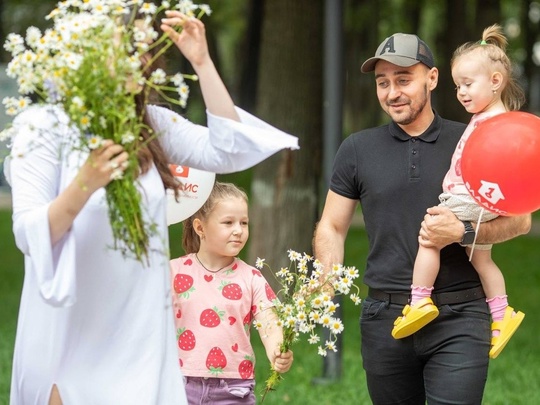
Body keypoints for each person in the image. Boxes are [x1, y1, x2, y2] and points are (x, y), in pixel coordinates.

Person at [6, 10, 298, 405]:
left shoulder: (150, 124)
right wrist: (85, 185)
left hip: (138, 320)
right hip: (72, 317)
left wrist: (202, 62)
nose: (139, 58)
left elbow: (230, 150)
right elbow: (28, 232)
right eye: (126, 48)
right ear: (84, 56)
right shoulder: (44, 125)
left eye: (141, 49)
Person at [313, 32, 531, 404]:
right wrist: (325, 279)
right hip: (385, 317)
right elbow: (332, 226)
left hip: (461, 314)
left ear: (431, 79)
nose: (392, 92)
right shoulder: (357, 148)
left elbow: (521, 222)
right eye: (383, 83)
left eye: (403, 80)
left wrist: (462, 231)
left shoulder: (475, 140)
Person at [391, 25, 525, 359]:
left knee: (430, 234)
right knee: (481, 257)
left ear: (496, 81)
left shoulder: (495, 120)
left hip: (471, 196)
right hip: (485, 199)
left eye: (468, 84)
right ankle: (501, 313)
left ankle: (420, 300)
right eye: (457, 86)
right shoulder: (488, 115)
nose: (461, 93)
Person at [170, 181, 293, 404]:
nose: (238, 230)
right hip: (179, 384)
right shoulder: (173, 272)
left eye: (244, 223)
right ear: (200, 228)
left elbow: (269, 323)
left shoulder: (251, 277)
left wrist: (277, 349)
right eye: (228, 222)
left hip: (234, 389)